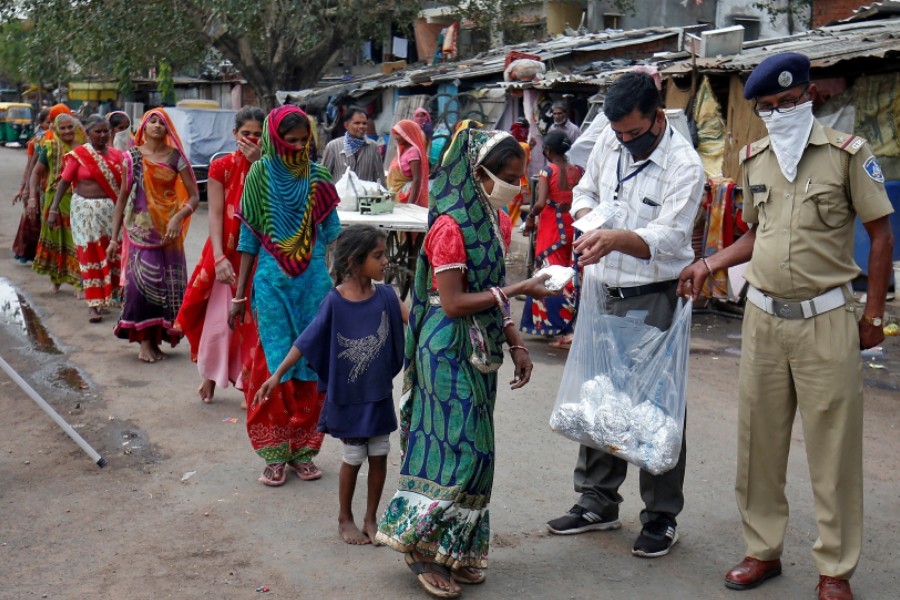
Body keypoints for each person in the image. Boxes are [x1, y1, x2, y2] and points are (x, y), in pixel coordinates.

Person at [677, 53, 893, 600]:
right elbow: (757, 233)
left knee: (834, 450)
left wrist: (873, 312)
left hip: (827, 321)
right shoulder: (754, 159)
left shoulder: (848, 155)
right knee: (759, 444)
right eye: (767, 107)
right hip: (764, 320)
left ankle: (835, 569)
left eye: (787, 102)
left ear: (810, 96)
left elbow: (881, 234)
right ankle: (761, 550)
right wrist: (709, 263)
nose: (779, 113)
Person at [375, 129, 560, 599]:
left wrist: (515, 341)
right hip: (445, 348)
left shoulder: (492, 221)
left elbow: (492, 288)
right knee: (455, 450)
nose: (517, 187)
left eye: (521, 177)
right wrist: (523, 290)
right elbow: (454, 302)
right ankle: (420, 548)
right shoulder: (450, 227)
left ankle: (454, 548)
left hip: (480, 349)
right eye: (508, 177)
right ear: (478, 173)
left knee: (479, 455)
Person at [546, 72, 704, 559]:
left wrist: (618, 239)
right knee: (599, 396)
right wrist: (595, 223)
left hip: (655, 291)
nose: (625, 142)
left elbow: (672, 238)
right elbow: (585, 192)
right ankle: (597, 501)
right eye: (619, 135)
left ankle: (660, 516)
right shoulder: (609, 145)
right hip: (602, 287)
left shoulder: (685, 164)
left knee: (655, 406)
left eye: (634, 134)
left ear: (658, 117)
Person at [256, 225, 408, 545]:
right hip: (350, 396)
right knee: (353, 456)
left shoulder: (387, 296)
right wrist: (276, 375)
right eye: (378, 256)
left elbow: (417, 319)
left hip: (378, 393)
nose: (386, 262)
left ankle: (370, 516)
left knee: (380, 452)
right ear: (354, 261)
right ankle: (345, 517)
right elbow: (306, 340)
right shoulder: (334, 301)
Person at [228, 105, 341, 487]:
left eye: (302, 141)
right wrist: (239, 296)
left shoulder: (319, 176)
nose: (295, 147)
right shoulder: (259, 174)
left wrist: (343, 286)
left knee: (312, 368)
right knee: (273, 366)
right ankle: (274, 453)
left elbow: (332, 235)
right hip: (271, 285)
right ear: (275, 140)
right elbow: (249, 239)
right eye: (287, 141)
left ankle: (304, 451)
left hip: (314, 286)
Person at [174, 107, 264, 403]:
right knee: (219, 322)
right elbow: (213, 214)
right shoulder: (221, 167)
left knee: (254, 322)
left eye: (257, 134)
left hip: (260, 254)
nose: (251, 138)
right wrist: (218, 257)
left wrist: (258, 165)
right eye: (246, 133)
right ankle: (211, 376)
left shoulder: (271, 168)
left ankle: (246, 383)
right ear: (234, 134)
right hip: (225, 251)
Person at [108, 108, 199, 363]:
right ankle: (144, 343)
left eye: (162, 122)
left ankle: (156, 341)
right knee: (141, 285)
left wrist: (178, 217)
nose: (157, 125)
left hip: (169, 231)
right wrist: (114, 238)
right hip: (139, 231)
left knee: (167, 286)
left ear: (168, 129)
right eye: (152, 121)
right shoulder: (132, 158)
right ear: (143, 127)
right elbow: (123, 197)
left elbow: (194, 196)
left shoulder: (175, 157)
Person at [48, 115, 124, 322]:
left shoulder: (118, 157)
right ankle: (94, 304)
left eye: (105, 131)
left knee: (111, 254)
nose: (102, 135)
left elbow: (126, 188)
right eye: (97, 131)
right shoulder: (79, 156)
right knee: (90, 254)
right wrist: (53, 209)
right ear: (88, 134)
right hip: (84, 212)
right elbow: (64, 183)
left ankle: (110, 296)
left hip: (110, 213)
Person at [520, 130, 583, 348]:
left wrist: (529, 219)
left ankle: (561, 328)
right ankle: (570, 325)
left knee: (551, 276)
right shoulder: (579, 171)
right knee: (571, 275)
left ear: (547, 150)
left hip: (552, 229)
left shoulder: (547, 172)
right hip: (574, 225)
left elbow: (540, 203)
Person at [29, 112, 86, 294]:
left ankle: (80, 284)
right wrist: (31, 197)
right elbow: (36, 172)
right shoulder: (50, 147)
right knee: (56, 240)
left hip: (78, 199)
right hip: (54, 199)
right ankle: (57, 280)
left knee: (78, 241)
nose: (67, 131)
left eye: (70, 127)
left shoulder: (85, 148)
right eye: (63, 128)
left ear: (77, 128)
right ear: (55, 130)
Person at [12, 107, 51, 263]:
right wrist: (25, 189)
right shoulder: (37, 142)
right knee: (35, 222)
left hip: (56, 188)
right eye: (49, 122)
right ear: (41, 124)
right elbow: (30, 167)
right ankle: (32, 254)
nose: (53, 125)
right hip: (40, 187)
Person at [320, 106, 384, 184]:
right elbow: (323, 177)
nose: (361, 126)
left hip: (365, 195)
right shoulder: (333, 146)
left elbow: (379, 177)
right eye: (357, 123)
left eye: (364, 123)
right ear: (346, 125)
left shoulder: (373, 147)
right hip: (339, 196)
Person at [386, 119, 429, 207]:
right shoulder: (402, 150)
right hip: (395, 194)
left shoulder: (413, 152)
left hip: (405, 196)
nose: (395, 137)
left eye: (399, 134)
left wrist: (410, 205)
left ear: (408, 134)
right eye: (395, 133)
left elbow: (417, 179)